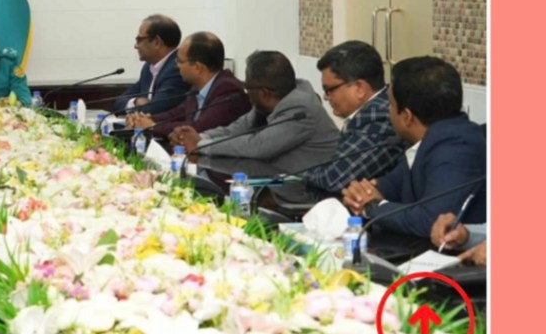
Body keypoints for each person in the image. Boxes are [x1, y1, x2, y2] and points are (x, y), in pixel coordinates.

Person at [342, 57, 486, 238]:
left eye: (391, 105)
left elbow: (431, 221)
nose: (388, 111)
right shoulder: (434, 138)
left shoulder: (457, 148)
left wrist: (372, 206)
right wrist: (360, 195)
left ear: (407, 116)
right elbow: (392, 185)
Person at [183, 50, 339, 174]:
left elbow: (257, 146)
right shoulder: (271, 101)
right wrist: (199, 137)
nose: (246, 93)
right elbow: (236, 129)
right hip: (281, 181)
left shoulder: (301, 109)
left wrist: (200, 145)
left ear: (264, 93)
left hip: (312, 192)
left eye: (247, 88)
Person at [299, 40, 406, 193]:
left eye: (329, 89)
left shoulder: (380, 118)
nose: (325, 97)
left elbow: (334, 178)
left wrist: (301, 175)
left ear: (360, 88)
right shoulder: (373, 109)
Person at [132, 31, 249, 144]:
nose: (176, 66)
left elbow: (200, 127)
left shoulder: (227, 90)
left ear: (197, 68)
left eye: (180, 61)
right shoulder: (197, 88)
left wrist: (153, 126)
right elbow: (176, 114)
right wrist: (144, 119)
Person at [113, 14, 190, 116]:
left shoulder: (177, 68)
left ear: (156, 42)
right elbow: (119, 102)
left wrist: (136, 106)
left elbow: (156, 109)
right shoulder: (148, 68)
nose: (135, 46)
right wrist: (135, 101)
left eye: (139, 40)